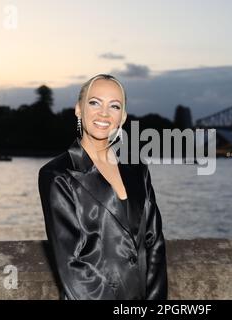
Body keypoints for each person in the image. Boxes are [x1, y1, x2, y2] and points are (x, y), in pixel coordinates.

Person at [38, 74, 168, 300]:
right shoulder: (56, 174)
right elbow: (72, 264)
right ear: (79, 109)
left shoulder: (137, 168)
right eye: (94, 102)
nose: (104, 113)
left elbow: (154, 242)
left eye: (114, 106)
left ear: (123, 116)